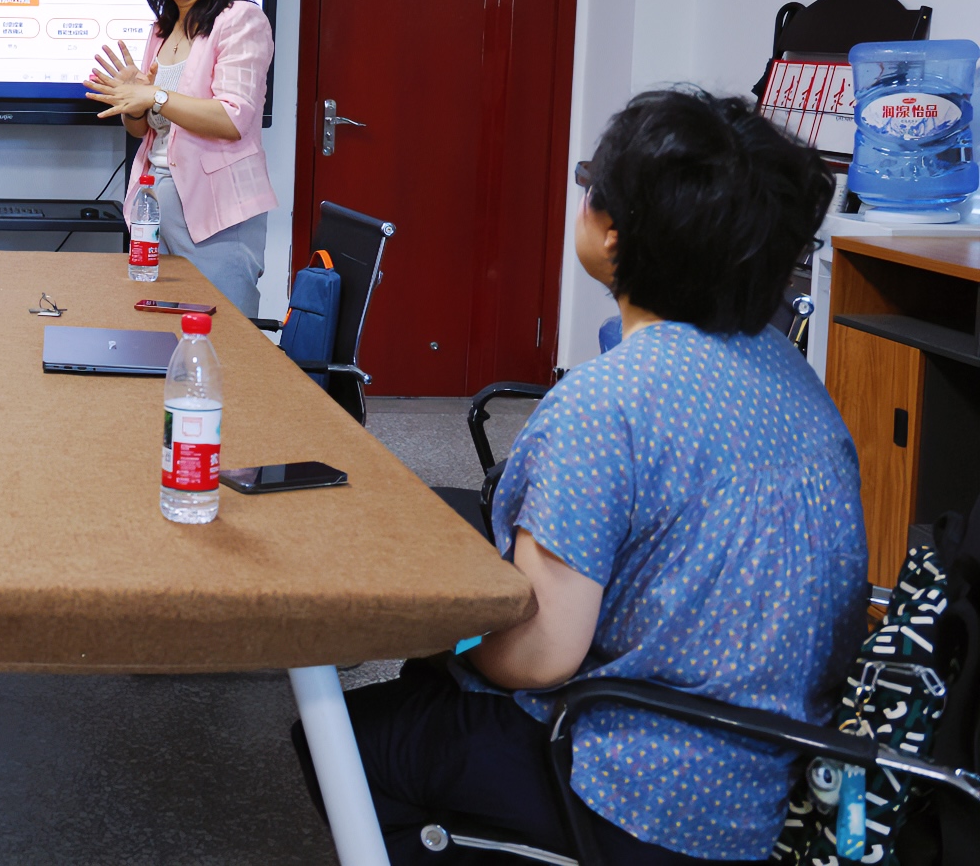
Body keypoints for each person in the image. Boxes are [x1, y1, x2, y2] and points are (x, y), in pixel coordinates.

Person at [294, 88, 867, 864]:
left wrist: (438, 631)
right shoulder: (800, 385)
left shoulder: (610, 402)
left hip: (636, 789)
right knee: (430, 687)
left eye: (591, 183)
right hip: (767, 771)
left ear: (613, 233)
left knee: (340, 740)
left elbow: (540, 655)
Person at [84, 0, 278, 317]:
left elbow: (233, 118)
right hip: (155, 201)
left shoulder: (240, 20)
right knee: (163, 327)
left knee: (223, 328)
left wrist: (155, 96)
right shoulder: (163, 28)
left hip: (216, 210)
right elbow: (144, 131)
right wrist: (134, 102)